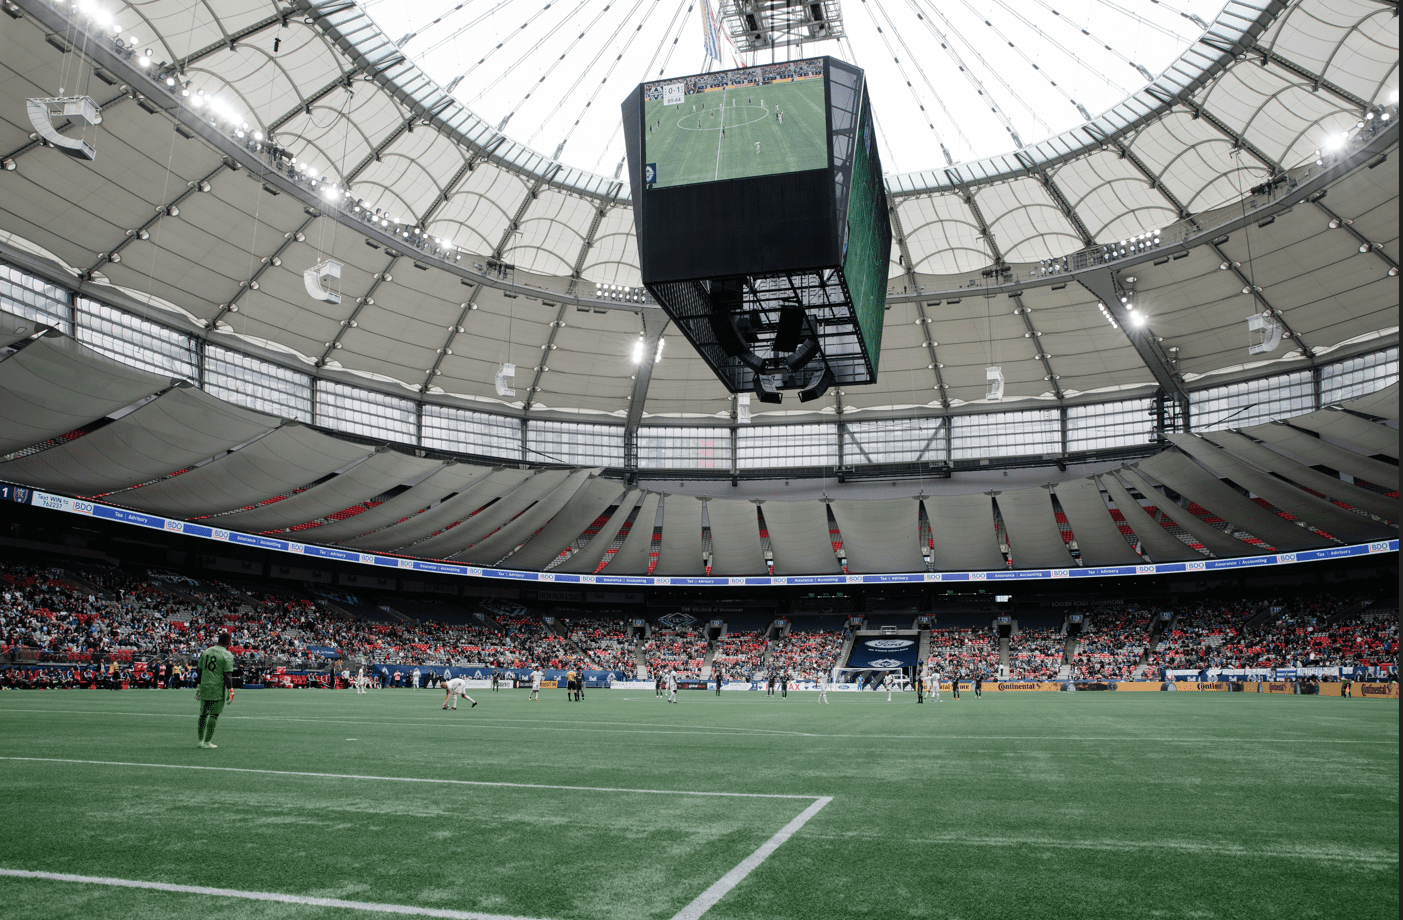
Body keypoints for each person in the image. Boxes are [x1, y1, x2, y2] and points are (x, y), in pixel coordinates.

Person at [195, 633, 235, 749]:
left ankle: (200, 740)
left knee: (203, 714)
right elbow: (227, 674)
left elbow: (200, 669)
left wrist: (199, 685)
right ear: (228, 641)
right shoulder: (227, 655)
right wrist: (231, 690)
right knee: (214, 714)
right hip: (217, 687)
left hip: (205, 685)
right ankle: (207, 742)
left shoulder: (207, 651)